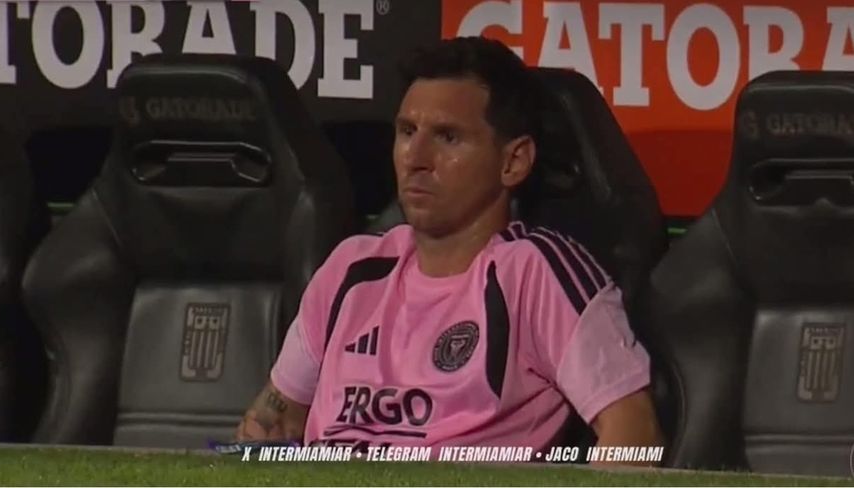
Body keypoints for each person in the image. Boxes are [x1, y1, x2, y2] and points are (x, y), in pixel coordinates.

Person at [236, 36, 663, 464]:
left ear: (513, 162)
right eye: (407, 132)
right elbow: (273, 419)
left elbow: (635, 433)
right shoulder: (352, 268)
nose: (416, 158)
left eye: (448, 137)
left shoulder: (535, 272)